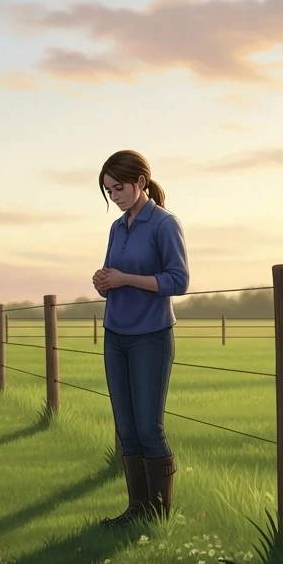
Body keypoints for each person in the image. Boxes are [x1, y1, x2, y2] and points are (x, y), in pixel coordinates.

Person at [92, 150, 189, 527]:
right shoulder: (117, 228)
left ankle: (158, 514)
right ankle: (136, 509)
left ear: (141, 183)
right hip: (115, 334)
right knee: (126, 427)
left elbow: (178, 281)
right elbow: (112, 277)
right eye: (108, 190)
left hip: (150, 335)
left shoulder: (164, 224)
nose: (114, 196)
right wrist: (103, 282)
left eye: (119, 188)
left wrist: (125, 279)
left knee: (149, 427)